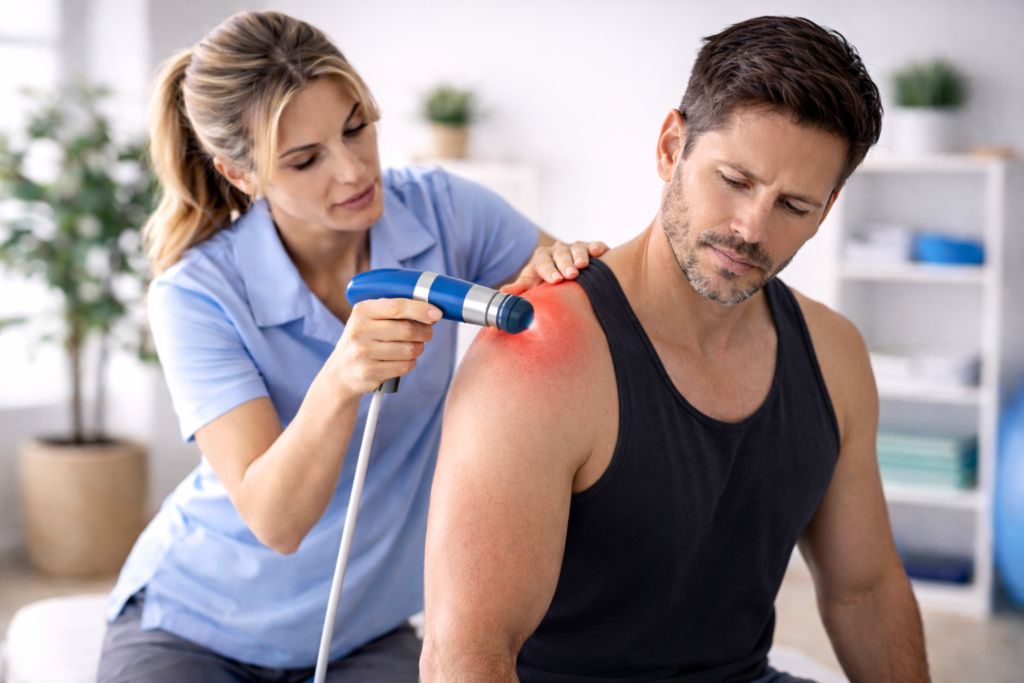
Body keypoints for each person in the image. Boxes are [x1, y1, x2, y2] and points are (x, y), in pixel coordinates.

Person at [97, 10, 607, 683]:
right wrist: (341, 378)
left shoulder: (446, 212)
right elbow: (276, 521)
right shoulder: (195, 294)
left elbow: (594, 320)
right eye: (306, 159)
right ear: (240, 174)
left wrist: (565, 276)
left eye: (356, 126)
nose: (353, 170)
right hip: (196, 623)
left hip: (360, 630)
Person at [422, 16, 930, 683]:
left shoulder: (834, 353)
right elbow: (466, 655)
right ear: (671, 148)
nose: (751, 228)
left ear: (827, 210)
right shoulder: (539, 358)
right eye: (736, 180)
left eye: (793, 205)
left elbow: (863, 590)